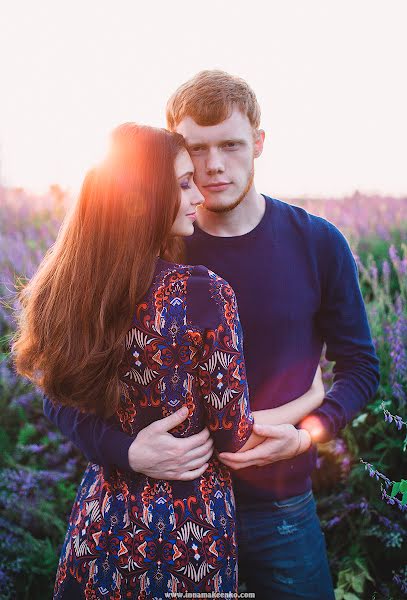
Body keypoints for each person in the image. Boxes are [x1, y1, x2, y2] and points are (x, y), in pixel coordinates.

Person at [43, 71, 380, 599]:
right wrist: (127, 450)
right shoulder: (150, 252)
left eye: (231, 144)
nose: (214, 165)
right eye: (197, 148)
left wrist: (309, 430)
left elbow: (361, 367)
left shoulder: (317, 242)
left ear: (260, 144)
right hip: (165, 515)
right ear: (176, 149)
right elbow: (60, 391)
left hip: (280, 510)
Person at [14, 122, 324, 598]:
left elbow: (55, 396)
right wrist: (309, 398)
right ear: (147, 195)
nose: (197, 194)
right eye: (182, 184)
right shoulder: (203, 292)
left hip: (102, 527)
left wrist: (121, 449)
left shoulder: (68, 288)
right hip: (186, 539)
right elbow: (232, 436)